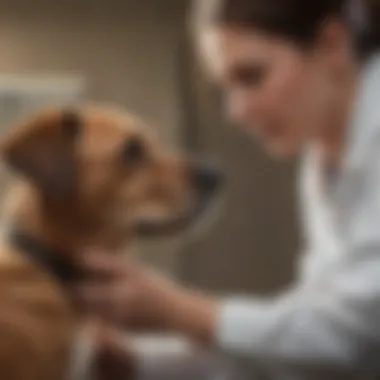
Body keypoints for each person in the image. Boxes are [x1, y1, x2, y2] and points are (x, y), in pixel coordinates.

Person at [76, 0, 380, 378]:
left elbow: (351, 337)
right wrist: (137, 362)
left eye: (252, 77)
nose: (237, 111)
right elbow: (305, 347)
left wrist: (175, 310)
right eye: (226, 89)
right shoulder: (322, 162)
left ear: (332, 43)